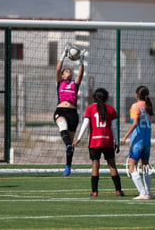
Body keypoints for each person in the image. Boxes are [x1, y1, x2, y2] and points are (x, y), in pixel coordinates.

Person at [73, 88, 124, 197]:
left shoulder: (90, 108)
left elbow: (85, 124)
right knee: (112, 165)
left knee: (95, 165)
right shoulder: (111, 110)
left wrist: (79, 138)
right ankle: (118, 191)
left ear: (94, 97)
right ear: (106, 98)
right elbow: (114, 127)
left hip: (94, 141)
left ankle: (94, 191)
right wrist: (116, 143)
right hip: (107, 141)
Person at [54, 45, 84, 176]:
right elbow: (57, 69)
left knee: (71, 144)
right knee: (61, 123)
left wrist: (81, 59)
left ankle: (68, 165)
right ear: (62, 75)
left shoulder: (74, 84)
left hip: (73, 113)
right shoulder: (60, 82)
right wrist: (63, 55)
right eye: (66, 71)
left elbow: (81, 73)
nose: (69, 72)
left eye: (70, 71)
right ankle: (67, 145)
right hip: (61, 110)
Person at [121, 85, 155, 200]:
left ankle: (143, 193)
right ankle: (149, 192)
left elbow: (135, 123)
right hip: (147, 141)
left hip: (137, 141)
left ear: (136, 95)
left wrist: (124, 137)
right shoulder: (149, 107)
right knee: (145, 167)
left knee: (132, 167)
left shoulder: (135, 106)